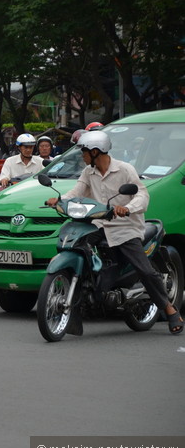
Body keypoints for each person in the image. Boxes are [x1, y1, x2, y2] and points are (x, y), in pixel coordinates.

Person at [44, 131, 182, 335]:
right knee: (77, 243)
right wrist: (60, 200)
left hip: (125, 227)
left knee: (144, 270)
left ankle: (170, 310)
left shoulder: (124, 170)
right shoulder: (88, 172)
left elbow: (142, 194)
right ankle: (91, 288)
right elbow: (77, 192)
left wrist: (128, 208)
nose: (82, 155)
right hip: (99, 224)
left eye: (84, 151)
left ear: (95, 151)